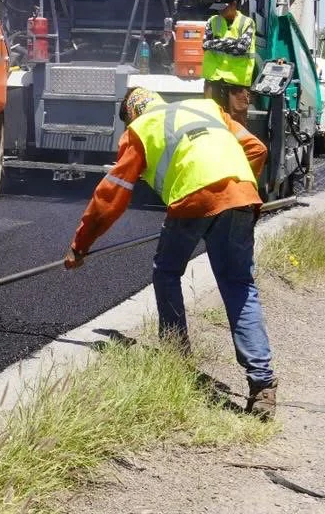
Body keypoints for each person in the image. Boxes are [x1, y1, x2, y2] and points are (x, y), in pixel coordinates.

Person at [64, 87, 279, 419]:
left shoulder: (141, 129)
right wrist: (236, 190)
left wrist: (81, 246)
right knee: (239, 285)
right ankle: (262, 385)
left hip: (193, 199)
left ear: (131, 114)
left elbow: (112, 195)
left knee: (166, 272)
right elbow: (256, 147)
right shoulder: (208, 108)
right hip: (241, 194)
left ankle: (176, 359)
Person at [203, 0, 256, 123]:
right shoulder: (212, 21)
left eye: (224, 8)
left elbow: (241, 48)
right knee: (211, 120)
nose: (220, 12)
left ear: (234, 4)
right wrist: (230, 42)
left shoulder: (247, 23)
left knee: (237, 123)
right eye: (218, 8)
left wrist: (217, 43)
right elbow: (206, 44)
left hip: (237, 83)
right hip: (214, 80)